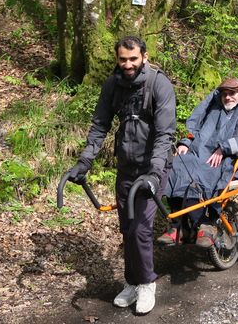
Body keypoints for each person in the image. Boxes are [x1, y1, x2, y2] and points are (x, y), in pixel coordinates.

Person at [66, 36, 176, 315]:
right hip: (126, 167)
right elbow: (100, 124)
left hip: (153, 168)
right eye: (123, 59)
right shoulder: (113, 84)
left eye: (133, 59)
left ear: (145, 57)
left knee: (140, 227)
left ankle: (148, 283)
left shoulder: (158, 84)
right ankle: (132, 282)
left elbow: (165, 134)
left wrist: (154, 172)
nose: (128, 64)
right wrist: (85, 161)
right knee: (127, 229)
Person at [159, 77, 238, 245]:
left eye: (232, 93)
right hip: (203, 154)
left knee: (202, 174)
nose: (228, 97)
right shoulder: (215, 106)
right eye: (225, 94)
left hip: (230, 160)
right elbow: (197, 130)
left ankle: (205, 223)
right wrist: (186, 143)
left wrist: (226, 147)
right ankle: (179, 226)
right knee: (176, 166)